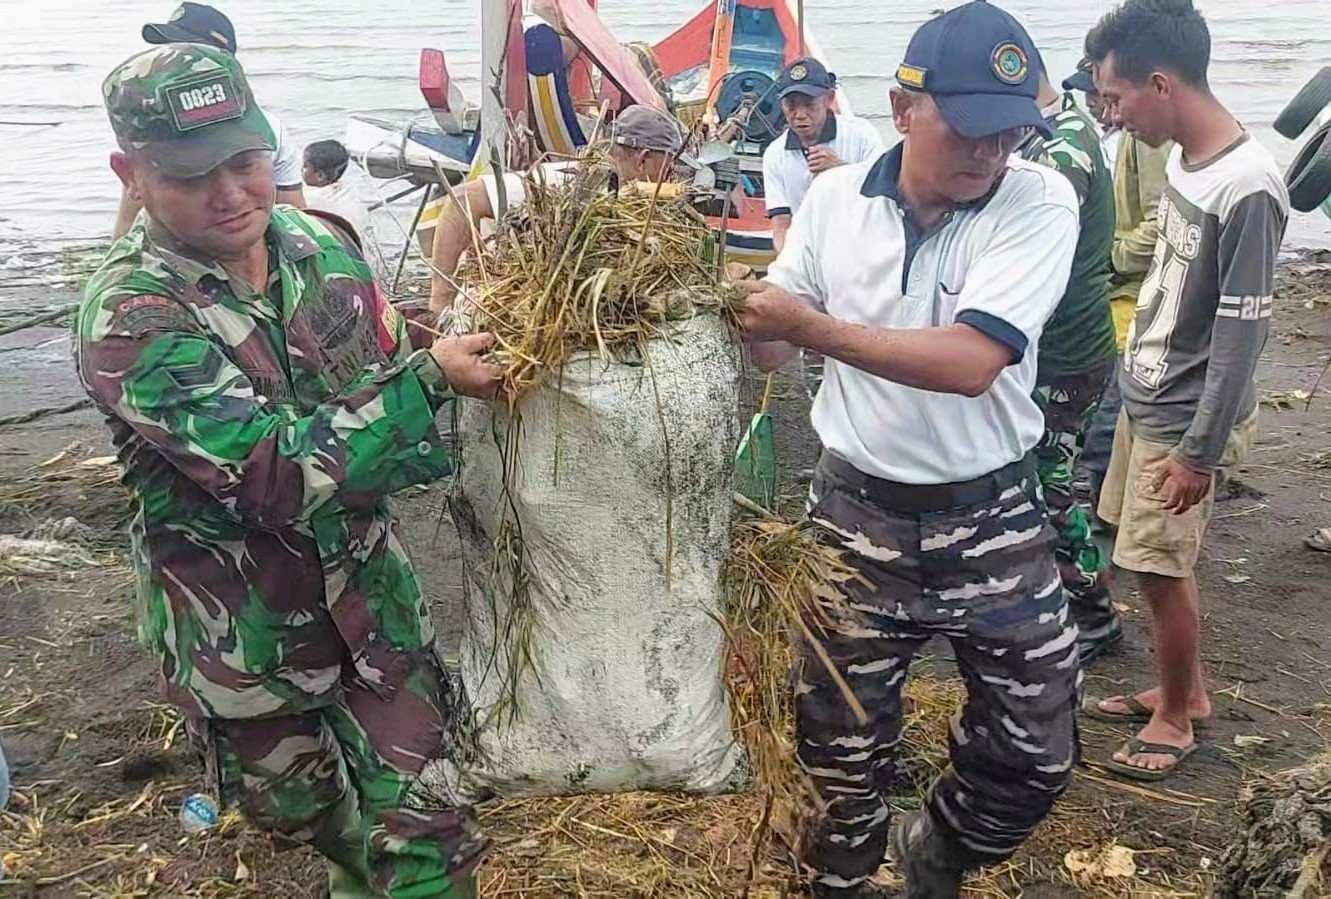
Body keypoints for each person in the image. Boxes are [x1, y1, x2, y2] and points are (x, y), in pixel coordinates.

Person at [78, 44, 502, 896]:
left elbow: (377, 361)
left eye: (245, 161)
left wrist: (454, 338)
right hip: (249, 647)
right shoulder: (132, 315)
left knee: (428, 836)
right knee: (321, 827)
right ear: (131, 171)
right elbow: (266, 473)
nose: (231, 192)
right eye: (193, 175)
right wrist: (431, 383)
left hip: (374, 614)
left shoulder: (323, 248)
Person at [735, 3, 1081, 895]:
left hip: (992, 517)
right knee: (836, 759)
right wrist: (728, 308)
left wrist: (810, 325)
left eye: (1009, 134)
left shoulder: (1038, 199)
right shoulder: (833, 201)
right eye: (970, 131)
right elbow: (773, 345)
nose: (988, 154)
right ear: (901, 108)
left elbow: (971, 362)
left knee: (1034, 750)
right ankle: (841, 884)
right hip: (854, 517)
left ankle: (937, 852)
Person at [1084, 0, 1288, 780]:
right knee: (1141, 557)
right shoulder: (1182, 159)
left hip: (1183, 417)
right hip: (1146, 391)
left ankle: (1176, 716)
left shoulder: (1248, 187)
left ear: (1160, 84)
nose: (1111, 112)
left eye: (1115, 96)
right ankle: (1185, 689)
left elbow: (1241, 337)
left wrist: (1199, 453)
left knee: (1162, 567)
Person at [1017, 68, 1120, 665]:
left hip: (1068, 352)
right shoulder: (1053, 131)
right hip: (1057, 346)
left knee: (1048, 478)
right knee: (1042, 471)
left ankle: (1091, 609)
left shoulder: (1064, 148)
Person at [427, 105, 691, 316]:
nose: (671, 178)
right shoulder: (573, 183)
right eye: (669, 167)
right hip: (512, 310)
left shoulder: (643, 203)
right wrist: (440, 299)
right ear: (642, 159)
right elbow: (463, 199)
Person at [112, 2, 305, 239]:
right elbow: (129, 223)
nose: (168, 57)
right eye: (166, 47)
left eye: (184, 50)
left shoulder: (267, 130)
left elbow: (297, 217)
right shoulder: (154, 128)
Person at [762, 58, 884, 253]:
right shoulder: (775, 154)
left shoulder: (862, 135)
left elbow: (885, 199)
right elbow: (781, 225)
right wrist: (789, 267)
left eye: (809, 104)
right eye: (791, 105)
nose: (800, 115)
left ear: (829, 99)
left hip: (860, 244)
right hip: (809, 249)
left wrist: (841, 170)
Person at [304, 139, 371, 241]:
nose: (301, 170)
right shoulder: (349, 192)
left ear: (320, 176)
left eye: (305, 166)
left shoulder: (309, 198)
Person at [1063, 60, 1122, 167]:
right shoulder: (1092, 135)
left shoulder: (1141, 140)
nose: (1088, 102)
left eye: (1094, 92)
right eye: (1086, 93)